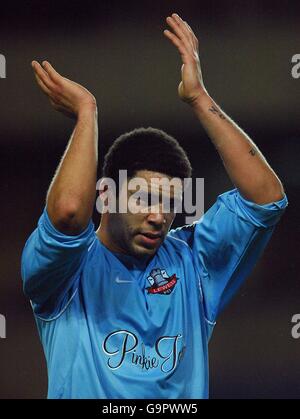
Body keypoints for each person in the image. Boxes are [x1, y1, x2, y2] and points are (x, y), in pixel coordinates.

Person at [21, 13, 287, 399]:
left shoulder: (193, 262)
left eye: (170, 203)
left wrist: (199, 98)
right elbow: (66, 213)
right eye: (144, 198)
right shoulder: (67, 271)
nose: (159, 216)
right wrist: (86, 114)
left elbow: (266, 198)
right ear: (106, 196)